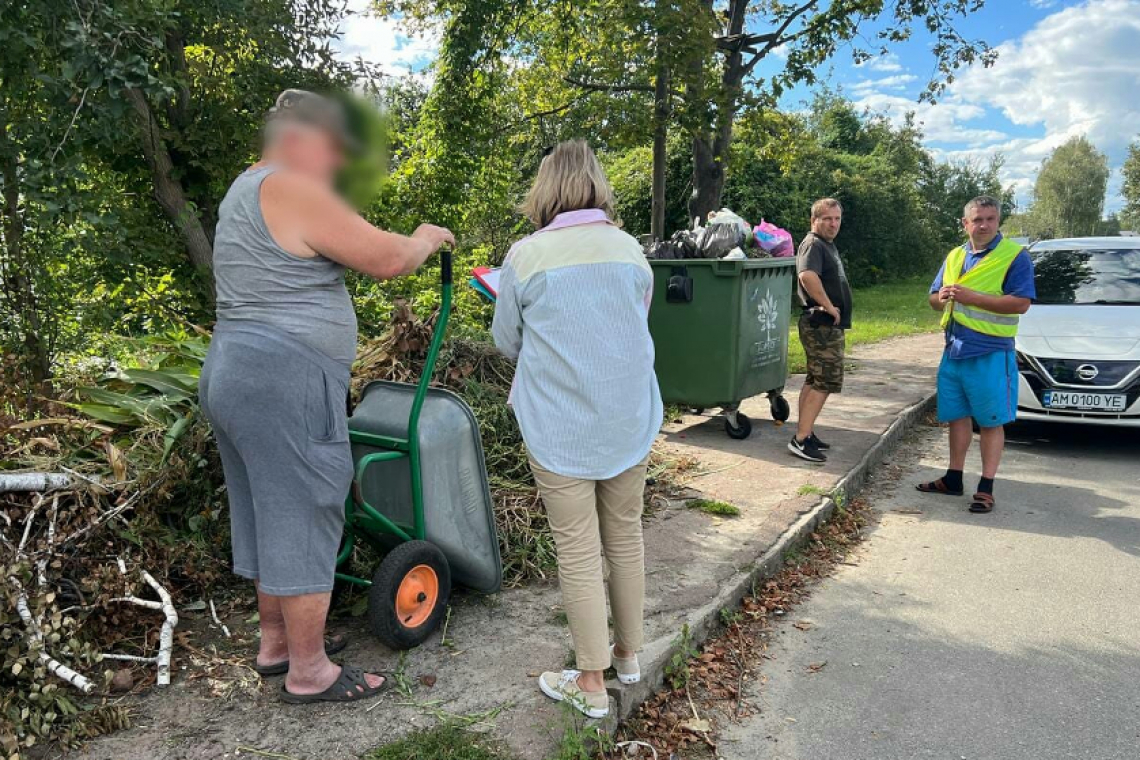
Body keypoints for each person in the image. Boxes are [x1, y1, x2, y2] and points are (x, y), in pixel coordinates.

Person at [199, 89, 454, 703]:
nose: (336, 165)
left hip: (235, 370)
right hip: (284, 378)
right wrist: (425, 237)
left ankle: (276, 643)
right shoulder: (289, 186)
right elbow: (387, 258)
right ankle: (309, 673)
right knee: (308, 506)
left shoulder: (243, 191)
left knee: (266, 509)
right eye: (333, 148)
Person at [491, 140, 662, 719]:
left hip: (560, 426)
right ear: (596, 185)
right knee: (626, 537)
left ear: (546, 190)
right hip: (628, 419)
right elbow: (636, 322)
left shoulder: (525, 256)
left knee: (580, 551)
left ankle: (590, 683)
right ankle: (629, 656)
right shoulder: (630, 248)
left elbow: (506, 341)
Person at [917, 195, 1034, 513]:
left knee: (991, 421)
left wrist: (971, 297)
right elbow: (932, 298)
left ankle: (986, 487)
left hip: (991, 353)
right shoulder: (955, 255)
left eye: (990, 219)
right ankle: (953, 478)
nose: (983, 225)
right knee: (956, 417)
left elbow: (1021, 302)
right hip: (954, 351)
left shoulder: (1014, 256)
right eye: (977, 219)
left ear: (998, 222)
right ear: (965, 223)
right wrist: (940, 298)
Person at [789, 198, 852, 463]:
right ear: (814, 220)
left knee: (814, 379)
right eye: (827, 218)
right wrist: (829, 306)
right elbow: (807, 276)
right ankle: (800, 441)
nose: (833, 223)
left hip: (824, 325)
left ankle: (806, 432)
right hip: (821, 324)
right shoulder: (813, 243)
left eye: (837, 218)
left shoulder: (826, 245)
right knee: (824, 381)